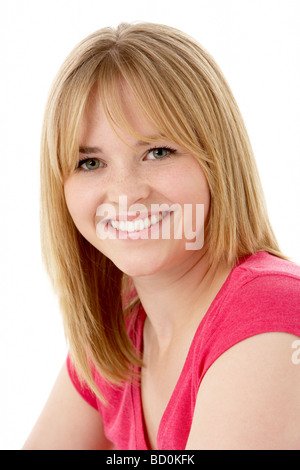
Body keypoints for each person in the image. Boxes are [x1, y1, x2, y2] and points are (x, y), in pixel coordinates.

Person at [22, 22, 300, 450]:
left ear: (217, 161)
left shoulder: (270, 309)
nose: (126, 194)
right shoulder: (120, 325)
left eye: (158, 152)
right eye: (91, 163)